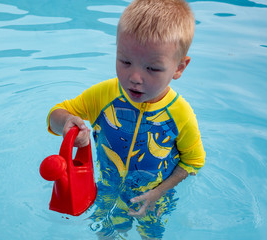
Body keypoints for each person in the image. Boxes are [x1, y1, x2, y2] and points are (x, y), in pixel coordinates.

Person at [47, 0, 205, 239]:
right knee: (106, 233)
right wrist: (67, 121)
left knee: (150, 235)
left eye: (152, 68)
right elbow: (55, 115)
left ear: (179, 67)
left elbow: (193, 163)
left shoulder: (180, 114)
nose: (135, 77)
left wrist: (158, 193)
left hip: (154, 199)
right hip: (107, 190)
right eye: (125, 61)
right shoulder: (104, 95)